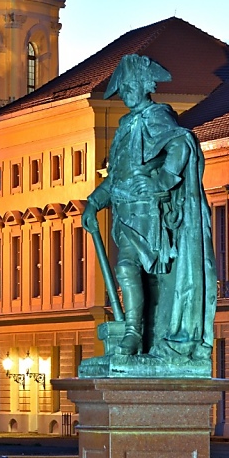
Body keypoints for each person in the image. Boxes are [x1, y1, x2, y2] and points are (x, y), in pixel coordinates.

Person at [81, 54, 216, 362]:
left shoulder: (157, 115)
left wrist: (161, 182)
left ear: (143, 86)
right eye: (123, 88)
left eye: (129, 86)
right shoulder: (126, 123)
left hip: (149, 214)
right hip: (124, 211)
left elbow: (181, 144)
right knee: (127, 268)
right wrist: (93, 203)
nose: (126, 93)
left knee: (135, 270)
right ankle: (134, 333)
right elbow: (116, 176)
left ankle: (134, 333)